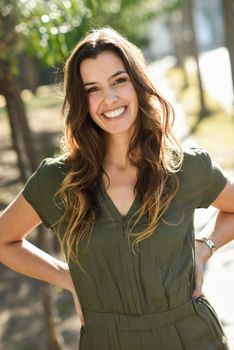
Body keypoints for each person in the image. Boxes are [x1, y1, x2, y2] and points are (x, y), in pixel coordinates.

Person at [0, 27, 234, 350]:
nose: (109, 98)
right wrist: (68, 278)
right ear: (82, 100)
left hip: (192, 337)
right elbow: (4, 240)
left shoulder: (185, 168)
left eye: (118, 81)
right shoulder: (59, 180)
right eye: (93, 89)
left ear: (137, 84)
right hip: (105, 340)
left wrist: (204, 247)